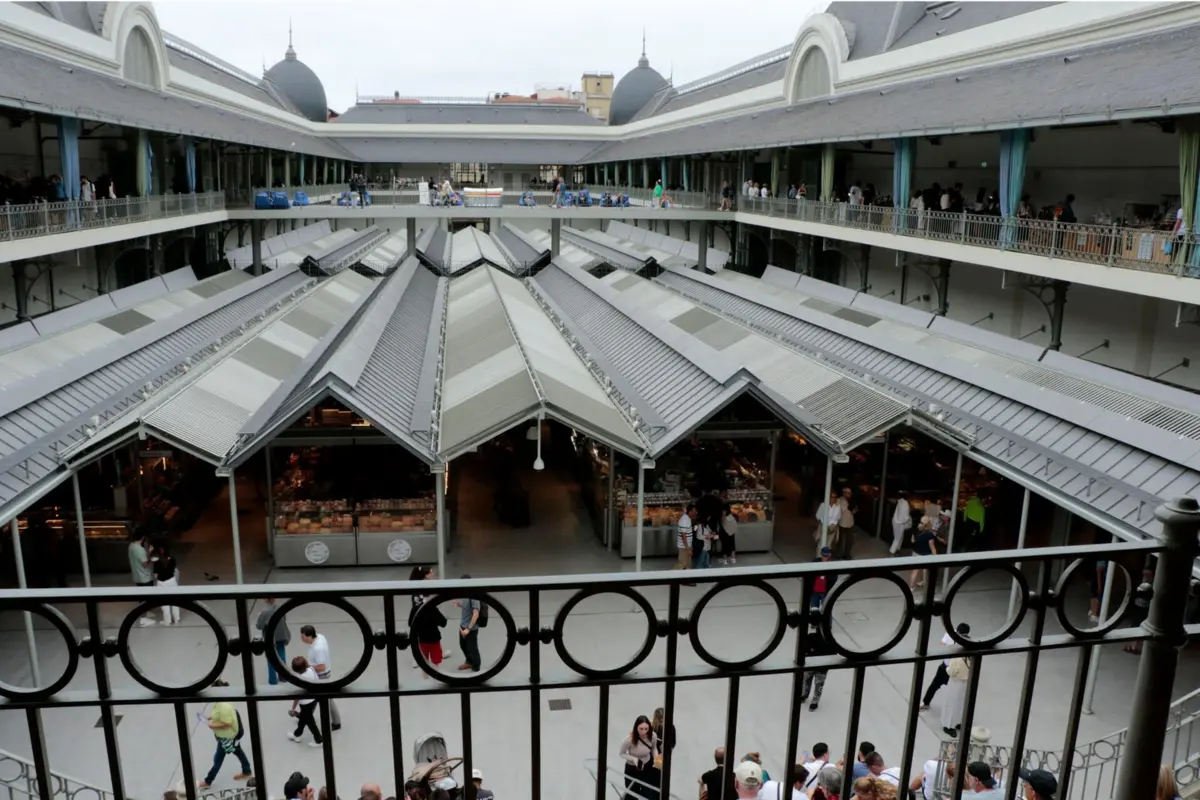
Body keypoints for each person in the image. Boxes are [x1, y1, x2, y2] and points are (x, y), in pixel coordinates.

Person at [199, 701, 252, 788]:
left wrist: (212, 726)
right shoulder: (223, 703)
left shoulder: (223, 707)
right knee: (238, 751)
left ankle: (208, 781)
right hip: (233, 735)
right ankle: (247, 771)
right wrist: (211, 717)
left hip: (227, 737)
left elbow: (228, 723)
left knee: (217, 760)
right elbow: (222, 714)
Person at [300, 625, 341, 730]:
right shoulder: (320, 637)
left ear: (309, 636)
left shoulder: (318, 649)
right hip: (322, 675)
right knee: (322, 698)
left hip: (320, 676)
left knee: (316, 697)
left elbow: (322, 667)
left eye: (303, 636)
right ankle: (305, 716)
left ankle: (305, 716)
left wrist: (307, 667)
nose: (301, 639)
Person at [922, 622, 970, 708]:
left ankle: (958, 708)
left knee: (956, 689)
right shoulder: (950, 634)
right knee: (934, 685)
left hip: (957, 668)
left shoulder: (967, 640)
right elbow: (942, 644)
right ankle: (926, 703)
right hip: (946, 666)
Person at [409, 566, 448, 674]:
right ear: (425, 575)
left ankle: (436, 654)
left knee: (429, 636)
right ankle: (418, 657)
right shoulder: (419, 588)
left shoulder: (425, 585)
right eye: (431, 573)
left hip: (426, 612)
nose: (433, 574)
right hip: (422, 613)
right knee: (421, 636)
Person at [618, 715, 660, 800]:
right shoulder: (629, 740)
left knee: (649, 792)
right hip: (632, 768)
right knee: (632, 794)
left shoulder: (653, 736)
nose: (644, 732)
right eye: (641, 729)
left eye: (646, 729)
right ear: (636, 728)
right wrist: (633, 758)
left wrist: (656, 758)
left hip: (647, 766)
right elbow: (622, 753)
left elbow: (653, 748)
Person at [287, 656, 323, 748]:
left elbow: (297, 697)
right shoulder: (311, 668)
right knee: (303, 719)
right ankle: (297, 734)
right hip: (313, 699)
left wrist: (293, 708)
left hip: (305, 703)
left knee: (310, 722)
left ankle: (319, 740)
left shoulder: (300, 679)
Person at [256, 597, 290, 685]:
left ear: (265, 600)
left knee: (271, 658)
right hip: (281, 635)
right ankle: (283, 676)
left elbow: (259, 626)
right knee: (282, 656)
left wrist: (259, 616)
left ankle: (273, 680)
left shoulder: (264, 612)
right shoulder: (280, 608)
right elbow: (284, 619)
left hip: (270, 638)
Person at [801, 624, 833, 711]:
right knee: (816, 683)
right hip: (819, 665)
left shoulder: (812, 637)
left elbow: (804, 648)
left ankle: (807, 696)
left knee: (809, 680)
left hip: (815, 663)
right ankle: (812, 699)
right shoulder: (829, 640)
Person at [128, 529, 155, 627]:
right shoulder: (140, 550)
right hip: (145, 577)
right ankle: (143, 619)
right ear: (143, 538)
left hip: (137, 575)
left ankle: (145, 613)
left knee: (142, 597)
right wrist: (150, 553)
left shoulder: (131, 546)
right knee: (146, 599)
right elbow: (146, 564)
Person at [1124, 567, 1154, 653]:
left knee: (1138, 626)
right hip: (1137, 606)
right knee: (1134, 625)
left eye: (1147, 574)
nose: (1146, 576)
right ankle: (1131, 646)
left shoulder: (1150, 585)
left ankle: (1134, 646)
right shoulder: (1141, 582)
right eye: (1144, 574)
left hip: (1143, 608)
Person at [457, 575, 483, 672]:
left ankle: (476, 667)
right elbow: (467, 607)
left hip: (470, 629)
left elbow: (475, 614)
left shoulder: (474, 596)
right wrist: (459, 604)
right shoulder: (465, 593)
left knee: (472, 649)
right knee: (463, 646)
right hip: (462, 625)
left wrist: (468, 629)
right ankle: (469, 662)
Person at [152, 539, 180, 625]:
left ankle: (167, 620)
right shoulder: (172, 559)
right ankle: (177, 619)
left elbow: (155, 576)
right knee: (175, 601)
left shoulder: (157, 563)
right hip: (172, 581)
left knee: (164, 603)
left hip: (162, 583)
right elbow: (175, 570)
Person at [941, 656, 970, 736]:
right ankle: (957, 722)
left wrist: (947, 668)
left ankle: (948, 725)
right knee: (960, 704)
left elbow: (951, 671)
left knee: (951, 704)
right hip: (965, 682)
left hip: (955, 682)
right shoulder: (970, 658)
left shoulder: (956, 659)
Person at [909, 517, 938, 590]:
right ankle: (924, 582)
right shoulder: (929, 534)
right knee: (925, 570)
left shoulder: (915, 531)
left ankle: (911, 587)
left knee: (914, 572)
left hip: (915, 553)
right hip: (925, 555)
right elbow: (932, 547)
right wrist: (936, 557)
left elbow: (912, 541)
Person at [837, 487, 857, 559]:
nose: (850, 494)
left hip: (850, 522)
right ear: (844, 493)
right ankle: (839, 554)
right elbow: (845, 508)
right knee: (841, 539)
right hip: (842, 522)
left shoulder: (850, 500)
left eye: (850, 493)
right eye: (848, 493)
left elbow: (854, 508)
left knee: (849, 539)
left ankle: (847, 553)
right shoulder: (840, 500)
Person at [676, 504, 697, 570]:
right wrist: (688, 549)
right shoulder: (684, 520)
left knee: (687, 564)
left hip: (687, 546)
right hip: (684, 547)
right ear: (690, 512)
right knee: (682, 565)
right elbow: (683, 536)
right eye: (694, 511)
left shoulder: (687, 518)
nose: (695, 513)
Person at [890, 491, 911, 555]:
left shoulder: (900, 502)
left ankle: (898, 549)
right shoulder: (905, 503)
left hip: (895, 521)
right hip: (901, 523)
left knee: (899, 537)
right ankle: (892, 551)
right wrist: (908, 520)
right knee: (898, 538)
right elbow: (906, 517)